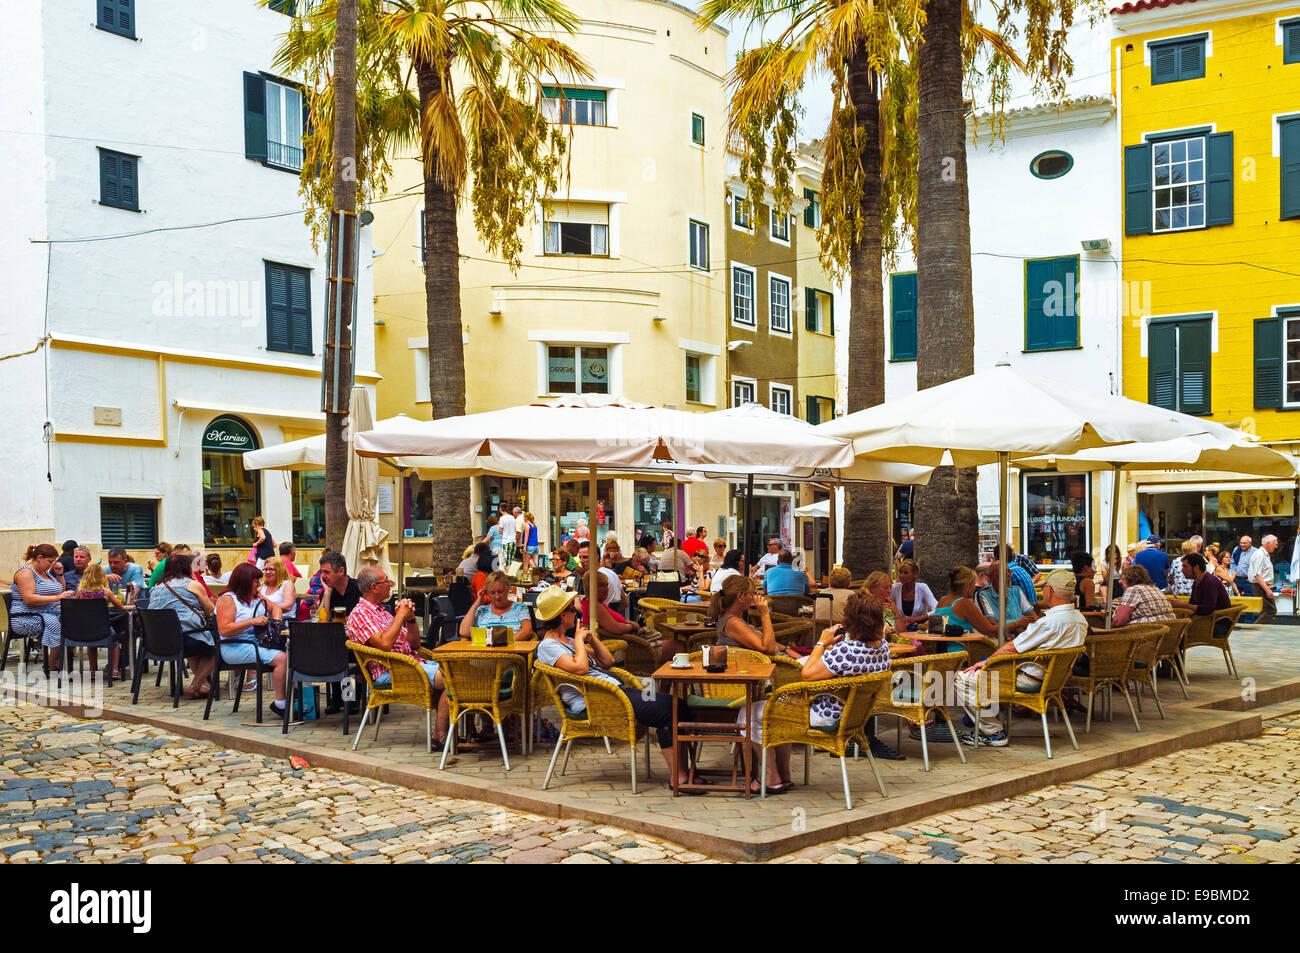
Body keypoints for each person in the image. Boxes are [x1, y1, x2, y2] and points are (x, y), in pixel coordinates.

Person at [534, 585, 696, 790]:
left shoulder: (565, 640)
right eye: (571, 609)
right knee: (665, 712)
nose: (576, 613)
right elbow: (581, 668)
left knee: (675, 703)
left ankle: (687, 772)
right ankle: (678, 777)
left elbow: (607, 660)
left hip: (612, 692)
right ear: (563, 615)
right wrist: (578, 641)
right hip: (595, 701)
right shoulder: (548, 646)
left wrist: (591, 639)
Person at [953, 569, 1087, 747]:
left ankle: (993, 732)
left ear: (1050, 590)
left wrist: (986, 662)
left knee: (962, 678)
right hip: (1054, 679)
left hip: (1027, 679)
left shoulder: (1049, 622)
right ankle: (985, 722)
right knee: (980, 680)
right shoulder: (1080, 619)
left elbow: (1012, 648)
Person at [347, 567, 450, 748]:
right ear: (374, 587)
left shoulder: (382, 612)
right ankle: (441, 736)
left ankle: (447, 735)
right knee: (454, 678)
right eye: (387, 581)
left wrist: (410, 619)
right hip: (392, 672)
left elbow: (415, 645)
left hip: (411, 665)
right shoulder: (360, 614)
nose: (390, 585)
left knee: (460, 672)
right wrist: (400, 615)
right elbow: (385, 643)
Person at [214, 562, 289, 716]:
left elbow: (276, 608)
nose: (259, 584)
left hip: (255, 642)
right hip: (233, 646)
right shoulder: (228, 599)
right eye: (256, 581)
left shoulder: (256, 597)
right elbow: (225, 629)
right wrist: (252, 622)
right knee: (281, 658)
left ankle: (298, 697)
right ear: (245, 582)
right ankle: (280, 704)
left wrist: (276, 625)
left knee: (293, 650)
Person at [149, 553, 217, 698]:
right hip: (183, 641)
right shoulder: (192, 584)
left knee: (197, 638)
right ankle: (195, 685)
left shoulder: (156, 587)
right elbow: (211, 611)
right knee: (218, 645)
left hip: (156, 643)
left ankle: (204, 684)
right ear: (188, 567)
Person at [10, 544, 73, 669]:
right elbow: (29, 599)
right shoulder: (26, 573)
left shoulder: (45, 573)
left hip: (46, 613)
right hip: (26, 617)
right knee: (61, 625)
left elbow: (60, 590)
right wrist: (58, 598)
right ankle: (52, 662)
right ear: (39, 557)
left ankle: (57, 661)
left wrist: (59, 574)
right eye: (50, 561)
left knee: (73, 620)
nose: (52, 565)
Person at [73, 562, 127, 677]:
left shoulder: (81, 592)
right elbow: (120, 606)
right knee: (115, 644)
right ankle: (114, 671)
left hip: (85, 629)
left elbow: (74, 606)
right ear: (103, 576)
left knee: (91, 645)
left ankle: (93, 671)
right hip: (103, 628)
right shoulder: (106, 592)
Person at [932, 566, 1001, 648]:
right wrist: (1016, 623)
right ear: (967, 586)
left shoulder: (941, 601)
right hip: (961, 653)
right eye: (973, 585)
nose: (974, 588)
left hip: (941, 652)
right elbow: (990, 631)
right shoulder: (964, 603)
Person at [460, 571, 534, 639]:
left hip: (512, 651)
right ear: (487, 593)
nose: (497, 597)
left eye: (500, 591)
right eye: (492, 593)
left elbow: (527, 631)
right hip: (484, 652)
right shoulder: (481, 610)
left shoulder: (519, 608)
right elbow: (464, 632)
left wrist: (505, 644)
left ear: (508, 589)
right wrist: (477, 603)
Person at [975, 561, 1039, 637]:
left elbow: (1034, 618)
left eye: (1009, 572)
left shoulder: (1016, 591)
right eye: (1002, 573)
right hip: (1000, 639)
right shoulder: (983, 594)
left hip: (1020, 636)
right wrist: (1018, 624)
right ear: (991, 577)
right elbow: (993, 627)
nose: (1008, 575)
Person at [579, 572, 641, 639]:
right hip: (621, 643)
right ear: (591, 587)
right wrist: (632, 627)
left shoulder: (595, 603)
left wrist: (627, 622)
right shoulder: (595, 606)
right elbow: (617, 629)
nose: (606, 589)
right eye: (601, 585)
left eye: (607, 585)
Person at [1110, 565, 1177, 626]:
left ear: (1131, 579)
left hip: (1144, 634)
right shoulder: (1155, 588)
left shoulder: (1133, 590)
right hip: (1168, 631)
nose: (1119, 581)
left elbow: (1118, 621)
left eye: (1122, 578)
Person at [1170, 552, 1232, 617]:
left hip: (1217, 623)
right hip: (1205, 621)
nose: (1182, 570)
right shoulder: (1197, 582)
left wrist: (1182, 605)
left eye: (1185, 567)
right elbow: (1193, 604)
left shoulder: (1210, 582)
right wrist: (1179, 603)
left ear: (1196, 567)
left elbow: (1207, 610)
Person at [891, 559, 937, 632]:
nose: (901, 575)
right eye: (900, 572)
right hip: (900, 631)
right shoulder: (895, 588)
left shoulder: (922, 588)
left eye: (905, 573)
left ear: (914, 574)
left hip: (919, 631)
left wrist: (916, 619)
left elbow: (937, 610)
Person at [319, 552, 361, 620]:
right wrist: (327, 592)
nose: (322, 576)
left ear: (341, 571)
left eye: (326, 572)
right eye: (321, 572)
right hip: (336, 630)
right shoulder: (326, 593)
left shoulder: (360, 588)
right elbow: (322, 622)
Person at [1248, 534, 1280, 624]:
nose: (1276, 546)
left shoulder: (1264, 554)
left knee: (1267, 610)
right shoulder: (1260, 555)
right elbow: (1257, 574)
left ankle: (1259, 630)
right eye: (1275, 544)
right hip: (1261, 586)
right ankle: (1256, 629)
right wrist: (1267, 590)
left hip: (1262, 585)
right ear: (1268, 543)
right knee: (1270, 610)